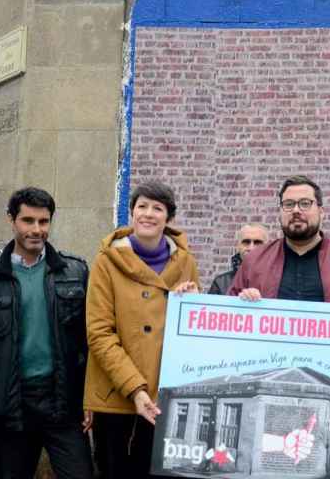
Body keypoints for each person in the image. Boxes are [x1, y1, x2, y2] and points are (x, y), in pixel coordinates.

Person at [0, 188, 92, 479]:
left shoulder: (75, 272)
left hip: (63, 403)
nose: (37, 230)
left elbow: (91, 342)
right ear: (11, 220)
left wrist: (92, 399)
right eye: (28, 220)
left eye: (44, 221)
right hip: (9, 406)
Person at [85, 180, 200, 478]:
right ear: (132, 212)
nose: (148, 214)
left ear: (168, 217)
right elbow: (99, 334)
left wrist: (192, 304)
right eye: (142, 206)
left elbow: (190, 334)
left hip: (164, 399)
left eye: (157, 208)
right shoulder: (106, 262)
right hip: (116, 397)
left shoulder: (186, 262)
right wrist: (135, 389)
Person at [229, 175, 330, 305]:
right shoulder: (254, 261)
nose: (296, 210)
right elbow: (227, 312)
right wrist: (243, 302)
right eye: (289, 204)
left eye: (305, 203)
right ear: (280, 212)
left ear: (321, 212)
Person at [208, 223, 269, 295]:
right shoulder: (221, 283)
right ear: (238, 246)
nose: (251, 248)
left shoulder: (277, 282)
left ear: (267, 247)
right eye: (246, 242)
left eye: (257, 242)